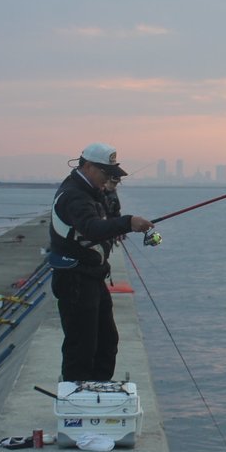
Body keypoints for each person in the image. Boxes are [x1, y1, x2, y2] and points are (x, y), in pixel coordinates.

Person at [49, 142, 154, 382]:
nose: (109, 179)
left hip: (92, 276)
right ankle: (78, 395)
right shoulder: (74, 196)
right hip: (75, 279)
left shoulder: (90, 192)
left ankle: (99, 388)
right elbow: (92, 228)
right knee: (81, 345)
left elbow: (100, 224)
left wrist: (118, 224)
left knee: (107, 341)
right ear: (87, 167)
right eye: (106, 173)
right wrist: (128, 223)